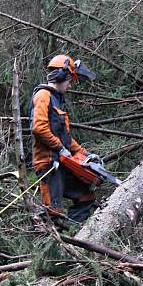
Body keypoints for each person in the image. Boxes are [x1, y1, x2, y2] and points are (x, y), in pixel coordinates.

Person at [29, 54, 98, 224]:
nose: (70, 84)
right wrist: (60, 148)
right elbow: (38, 128)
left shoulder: (57, 100)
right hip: (49, 164)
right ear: (62, 76)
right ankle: (51, 243)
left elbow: (66, 138)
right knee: (53, 214)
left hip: (62, 163)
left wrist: (85, 154)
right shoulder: (43, 95)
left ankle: (77, 238)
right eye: (70, 80)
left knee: (85, 196)